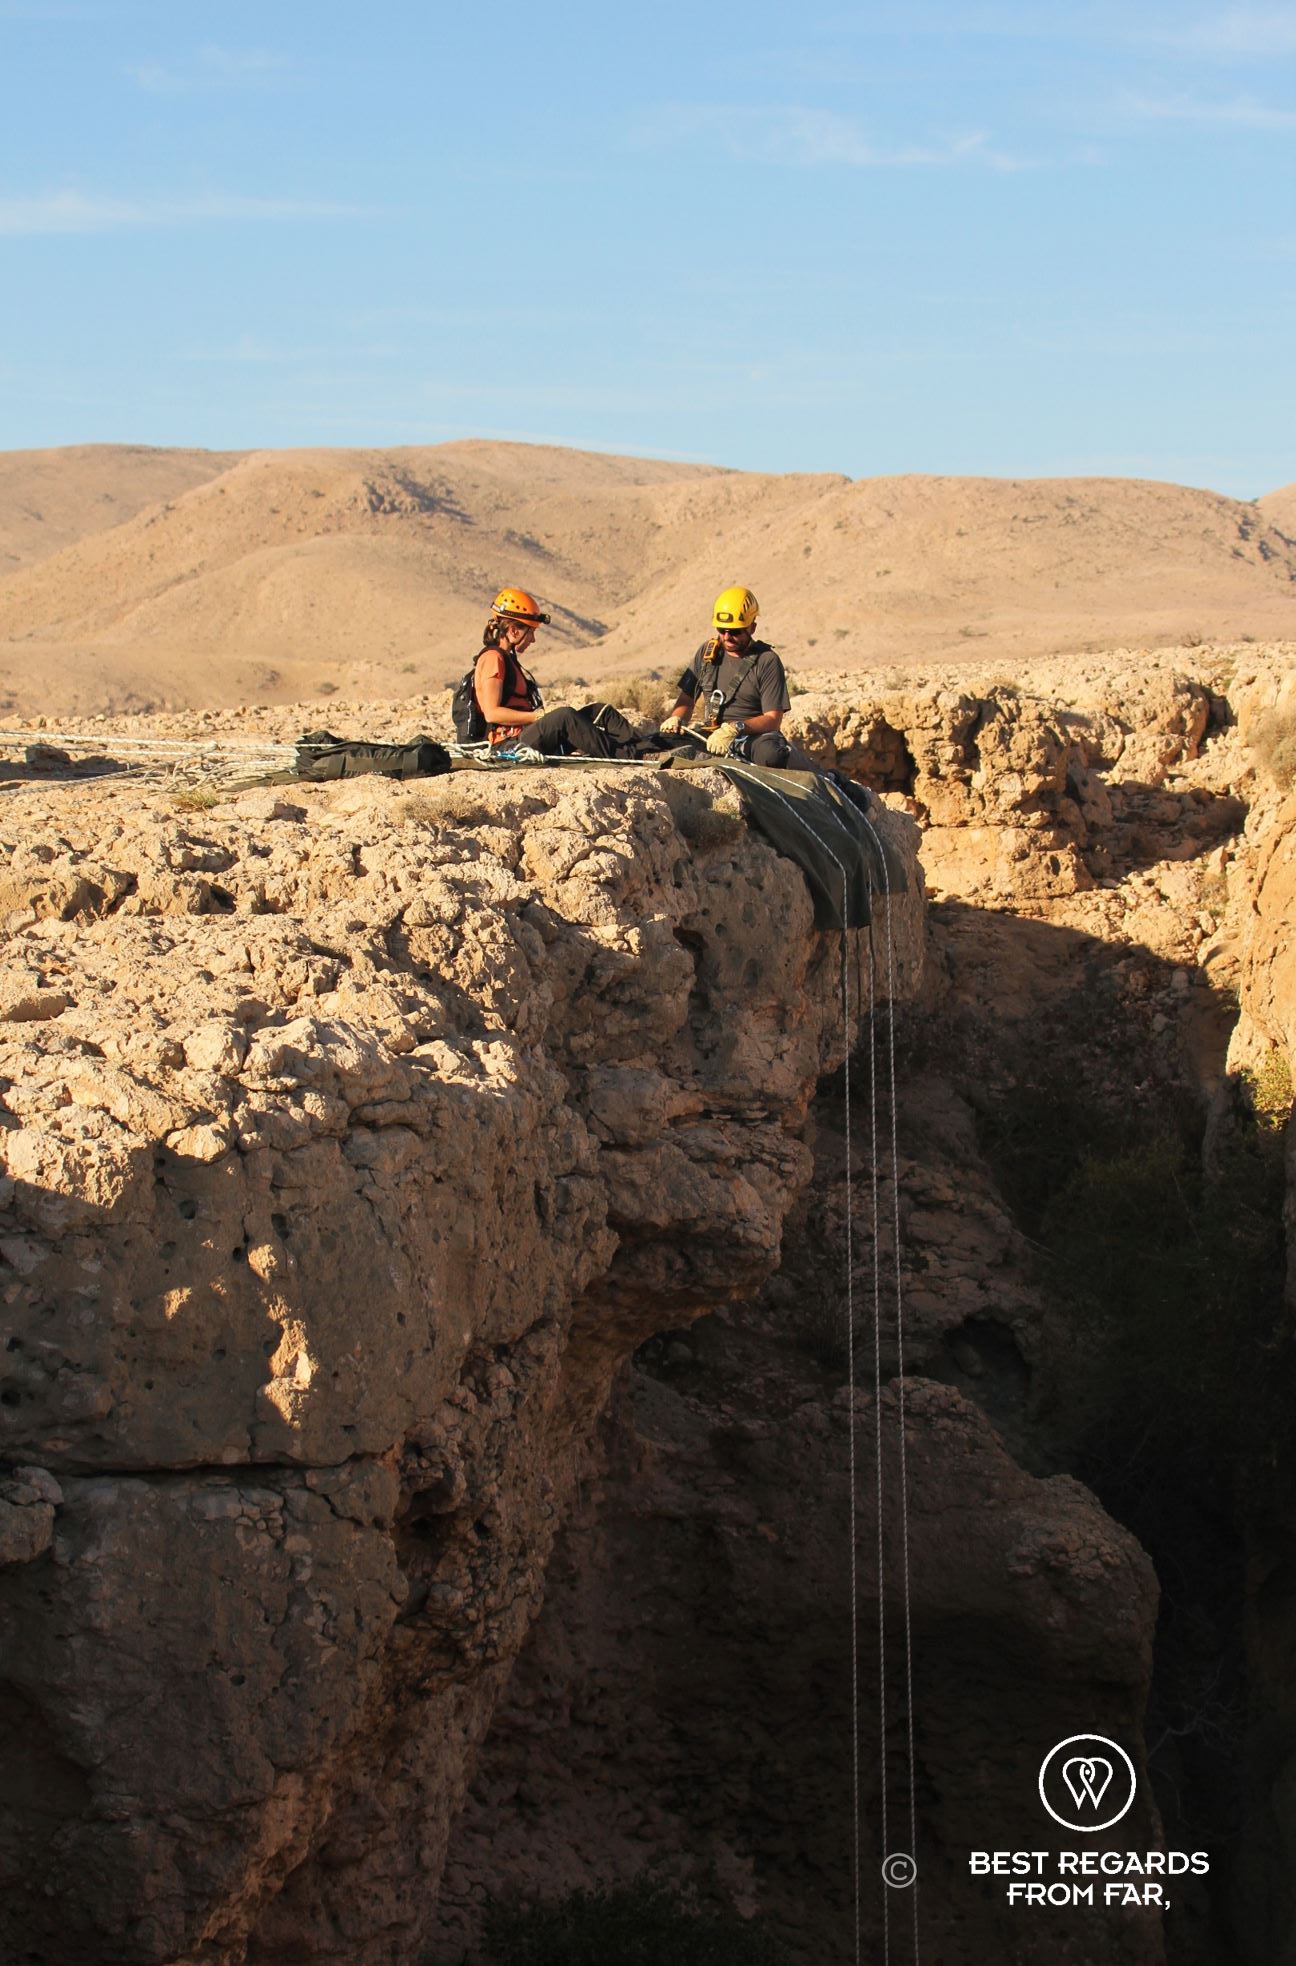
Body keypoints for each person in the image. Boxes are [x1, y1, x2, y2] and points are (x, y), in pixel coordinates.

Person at [467, 588, 645, 759]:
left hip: (525, 735)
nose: (533, 640)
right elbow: (492, 714)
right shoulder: (493, 658)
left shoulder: (507, 658)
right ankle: (629, 756)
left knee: (600, 712)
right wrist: (538, 716)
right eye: (531, 632)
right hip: (508, 745)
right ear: (513, 630)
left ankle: (645, 748)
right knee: (564, 716)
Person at [658, 586, 795, 766]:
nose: (727, 636)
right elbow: (686, 701)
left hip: (750, 737)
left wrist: (736, 728)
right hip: (711, 735)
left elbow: (772, 719)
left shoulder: (767, 660)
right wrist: (677, 719)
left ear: (752, 627)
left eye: (735, 631)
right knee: (657, 743)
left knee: (772, 755)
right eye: (722, 630)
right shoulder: (707, 653)